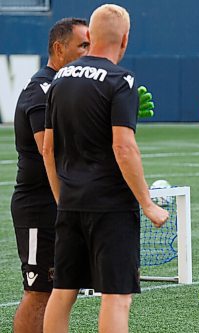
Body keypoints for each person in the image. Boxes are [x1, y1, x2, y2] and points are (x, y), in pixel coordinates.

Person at [42, 4, 169, 332]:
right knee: (116, 296)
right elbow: (123, 147)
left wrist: (62, 199)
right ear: (125, 39)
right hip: (110, 207)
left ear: (92, 36)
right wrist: (148, 203)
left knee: (63, 291)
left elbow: (47, 149)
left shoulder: (59, 79)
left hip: (70, 203)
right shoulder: (120, 79)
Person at [10, 17, 89, 333]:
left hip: (63, 203)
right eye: (83, 44)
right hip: (40, 207)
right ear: (59, 48)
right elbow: (51, 152)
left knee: (62, 291)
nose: (90, 51)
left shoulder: (68, 89)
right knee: (39, 292)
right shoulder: (42, 89)